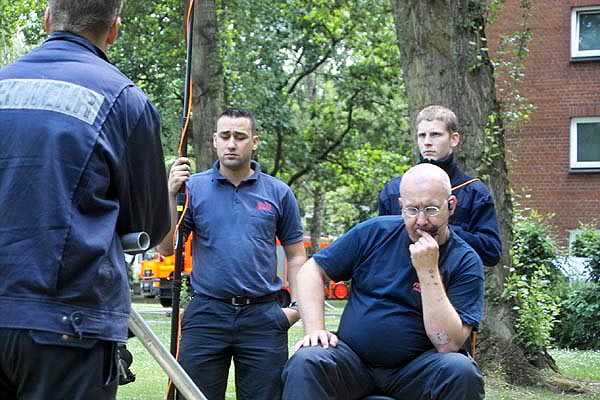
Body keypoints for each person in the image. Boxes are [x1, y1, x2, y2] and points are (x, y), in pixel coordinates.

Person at [0, 1, 170, 399]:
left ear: (47, 19)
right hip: (69, 325)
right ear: (114, 29)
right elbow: (148, 223)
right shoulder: (125, 100)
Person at [282, 163, 485, 400]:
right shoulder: (374, 232)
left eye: (431, 209)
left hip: (418, 370)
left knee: (462, 371)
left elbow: (448, 344)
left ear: (451, 206)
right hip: (353, 362)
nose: (421, 221)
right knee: (307, 360)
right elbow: (311, 271)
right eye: (412, 210)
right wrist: (315, 329)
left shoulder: (465, 261)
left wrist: (428, 271)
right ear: (401, 206)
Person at [157, 108, 307, 400]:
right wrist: (170, 193)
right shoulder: (192, 188)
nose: (231, 143)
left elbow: (296, 256)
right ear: (215, 140)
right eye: (225, 136)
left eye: (240, 136)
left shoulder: (278, 192)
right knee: (193, 395)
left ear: (255, 141)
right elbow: (165, 248)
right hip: (207, 313)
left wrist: (296, 309)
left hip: (263, 316)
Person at [378, 105, 501, 266]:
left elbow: (491, 252)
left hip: (453, 276)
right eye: (422, 135)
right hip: (401, 276)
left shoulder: (473, 192)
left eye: (435, 135)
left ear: (454, 139)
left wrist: (443, 231)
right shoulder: (394, 190)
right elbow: (382, 246)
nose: (427, 142)